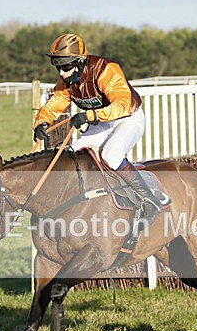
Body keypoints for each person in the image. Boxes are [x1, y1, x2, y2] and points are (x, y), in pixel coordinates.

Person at [33, 33, 161, 224]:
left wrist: (89, 115)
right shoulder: (67, 80)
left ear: (81, 61)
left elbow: (122, 104)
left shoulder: (106, 69)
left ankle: (149, 200)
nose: (61, 73)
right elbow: (56, 102)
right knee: (72, 156)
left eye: (66, 66)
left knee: (110, 155)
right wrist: (41, 122)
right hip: (102, 122)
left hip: (128, 118)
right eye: (58, 67)